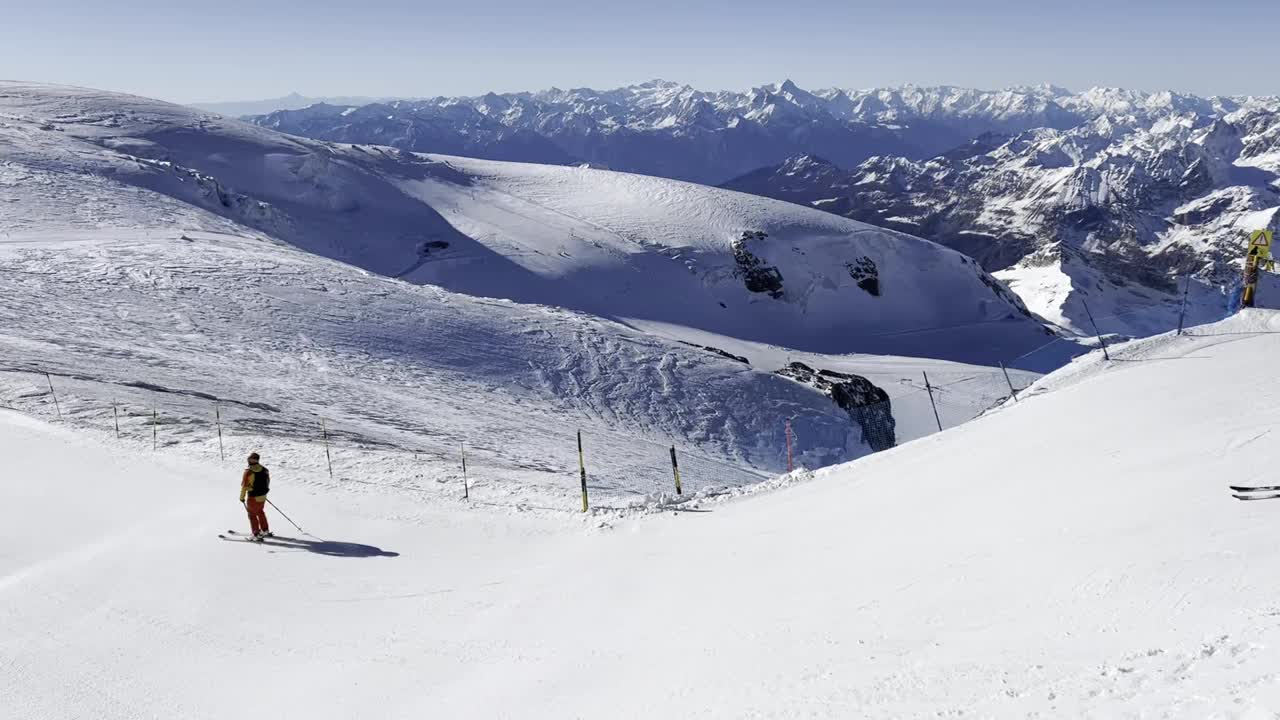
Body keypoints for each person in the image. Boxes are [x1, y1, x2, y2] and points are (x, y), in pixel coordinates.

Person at [239, 452, 272, 541]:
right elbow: (268, 481)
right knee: (260, 512)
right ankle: (265, 530)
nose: (249, 460)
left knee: (252, 514)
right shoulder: (265, 469)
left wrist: (241, 497)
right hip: (262, 496)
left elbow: (244, 486)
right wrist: (263, 493)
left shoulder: (248, 472)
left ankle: (256, 534)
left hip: (253, 497)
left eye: (250, 459)